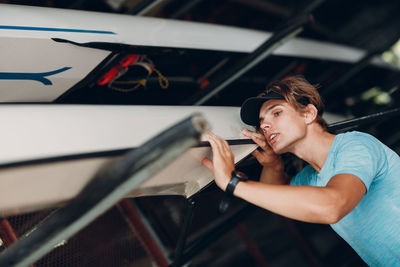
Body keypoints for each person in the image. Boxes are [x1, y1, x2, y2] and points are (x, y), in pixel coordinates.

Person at [202, 75, 400, 266]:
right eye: (261, 122)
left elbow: (333, 205)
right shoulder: (311, 177)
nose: (264, 125)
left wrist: (233, 184)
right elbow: (279, 197)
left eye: (276, 112)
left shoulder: (356, 145)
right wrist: (273, 165)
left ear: (309, 114)